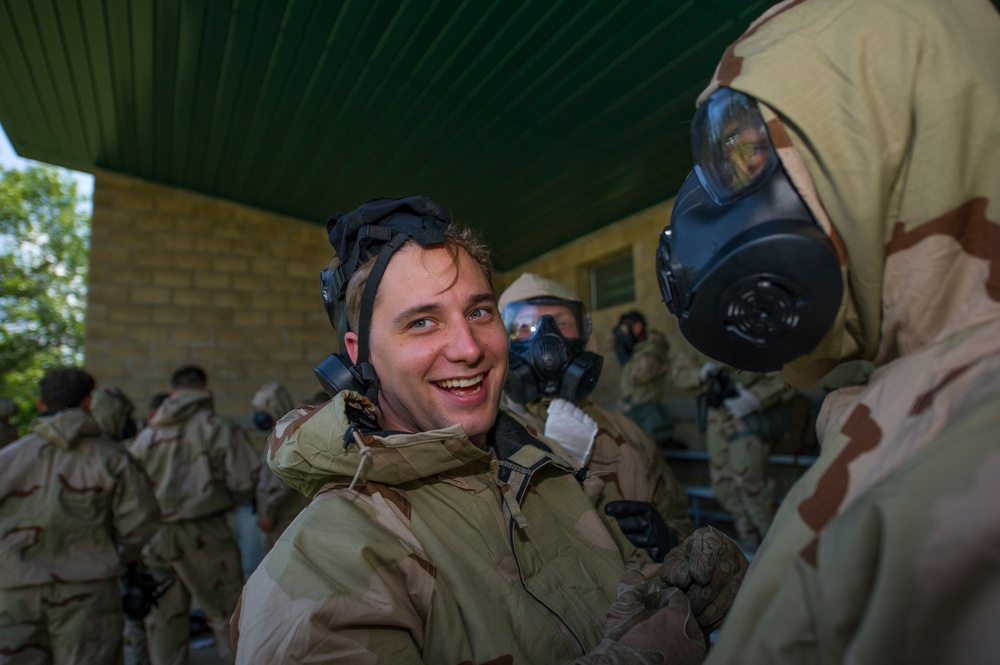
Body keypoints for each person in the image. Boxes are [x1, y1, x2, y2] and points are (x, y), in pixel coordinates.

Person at [232, 196, 748, 664]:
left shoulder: (545, 469)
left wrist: (675, 586)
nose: (469, 347)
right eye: (422, 322)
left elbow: (622, 592)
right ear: (358, 354)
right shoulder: (327, 561)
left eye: (478, 311)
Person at [655, 0, 1000, 661]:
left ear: (885, 147)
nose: (722, 206)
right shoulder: (914, 408)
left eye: (755, 154)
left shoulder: (968, 466)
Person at [498, 272, 694, 562]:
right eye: (525, 325)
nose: (546, 339)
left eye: (563, 324)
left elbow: (681, 522)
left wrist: (670, 542)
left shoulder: (631, 436)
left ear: (586, 340)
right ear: (500, 340)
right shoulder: (480, 440)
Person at [0, 368, 160, 665]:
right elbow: (141, 522)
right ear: (88, 402)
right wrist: (126, 553)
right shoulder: (113, 458)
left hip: (13, 591)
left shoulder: (8, 458)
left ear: (40, 404)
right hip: (89, 592)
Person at [129, 365, 261, 665]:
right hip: (206, 535)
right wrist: (221, 501)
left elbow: (129, 491)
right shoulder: (216, 426)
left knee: (164, 625)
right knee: (227, 619)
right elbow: (246, 479)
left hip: (156, 538)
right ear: (205, 389)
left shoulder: (147, 434)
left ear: (173, 393)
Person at [249, 381, 310, 553]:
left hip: (284, 516)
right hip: (278, 515)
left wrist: (269, 513)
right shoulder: (278, 433)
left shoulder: (287, 434)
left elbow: (283, 480)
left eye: (263, 411)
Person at [615, 311, 680, 448]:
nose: (625, 334)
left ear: (638, 327)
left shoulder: (653, 348)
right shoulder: (638, 349)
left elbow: (639, 375)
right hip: (633, 416)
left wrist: (625, 358)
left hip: (648, 418)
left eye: (627, 328)